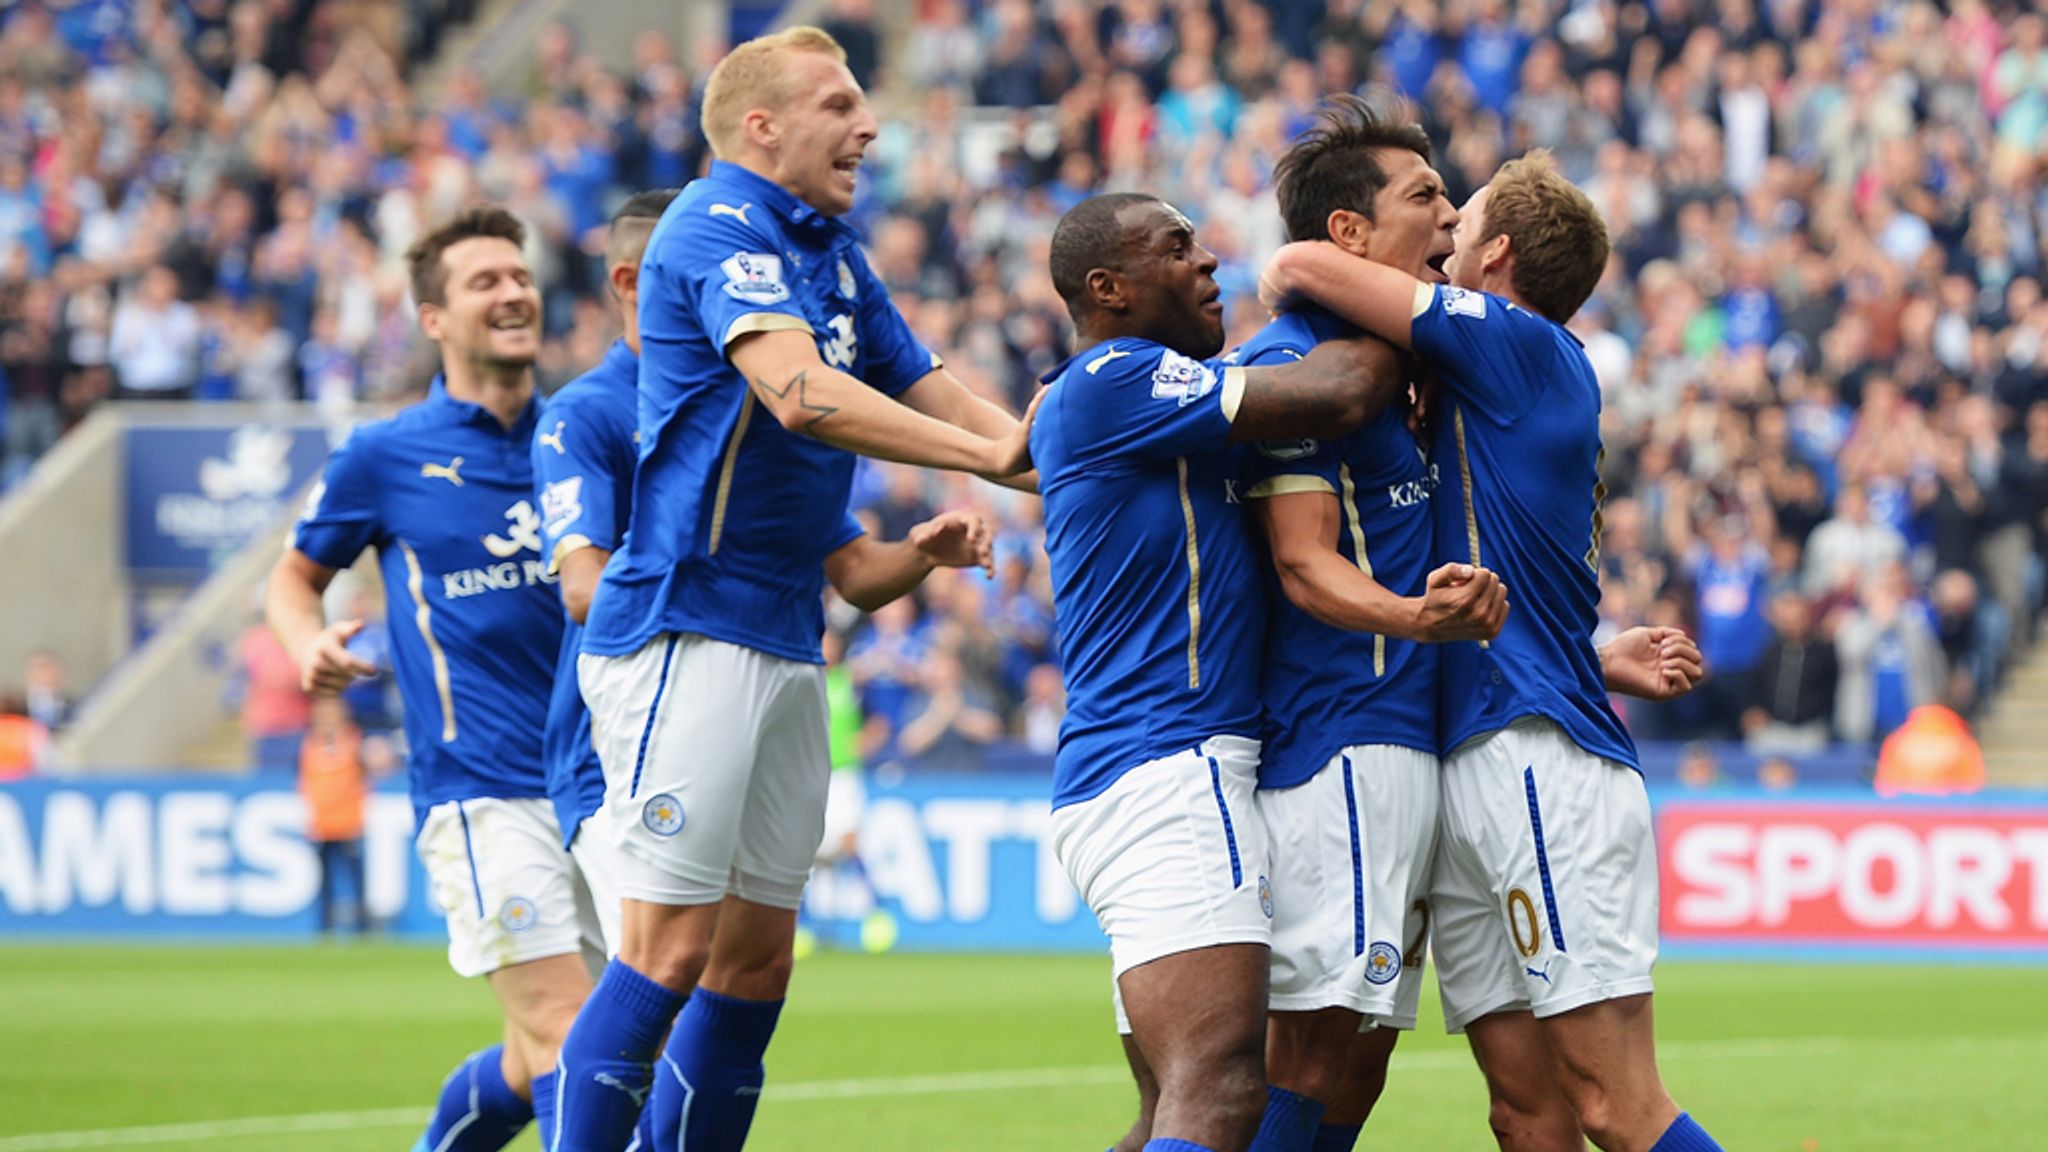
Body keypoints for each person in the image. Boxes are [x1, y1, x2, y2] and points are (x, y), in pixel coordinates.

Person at [560, 27, 1031, 1152]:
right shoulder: (717, 224)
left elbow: (915, 375)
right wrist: (984, 459)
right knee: (666, 952)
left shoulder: (831, 250)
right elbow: (800, 395)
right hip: (684, 624)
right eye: (837, 105)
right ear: (761, 126)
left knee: (757, 960)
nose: (866, 126)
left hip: (782, 632)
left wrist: (1025, 450)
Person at [1238, 97, 1706, 1152]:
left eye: (1461, 210)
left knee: (1611, 1104)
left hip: (1534, 755)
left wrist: (1284, 273)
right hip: (1477, 754)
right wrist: (1597, 650)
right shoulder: (1471, 390)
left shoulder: (1520, 344)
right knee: (1525, 1107)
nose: (1444, 223)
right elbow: (1503, 582)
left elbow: (1305, 268)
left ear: (1493, 256)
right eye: (1429, 201)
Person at [1033, 189, 1412, 1152]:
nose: (1209, 264)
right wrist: (1402, 299)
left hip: (1134, 770)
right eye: (1177, 249)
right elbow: (1338, 395)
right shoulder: (1117, 376)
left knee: (1172, 1106)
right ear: (1109, 289)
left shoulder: (1144, 399)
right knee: (1224, 1091)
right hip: (1172, 765)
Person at [268, 206, 605, 1152]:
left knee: (539, 1049)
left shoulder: (584, 431)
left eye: (521, 276)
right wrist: (307, 647)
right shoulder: (384, 456)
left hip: (599, 785)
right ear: (433, 320)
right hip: (481, 794)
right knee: (583, 1046)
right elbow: (293, 580)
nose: (513, 293)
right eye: (484, 281)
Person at [300, 694, 368, 936]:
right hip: (322, 824)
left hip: (349, 823)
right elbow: (307, 786)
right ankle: (324, 926)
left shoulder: (353, 741)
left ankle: (362, 928)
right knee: (322, 881)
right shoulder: (309, 746)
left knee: (355, 879)